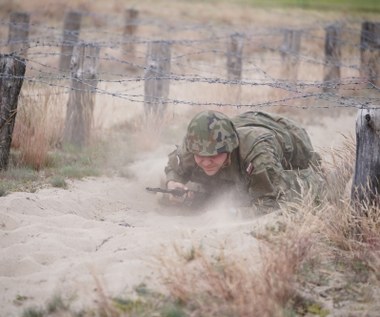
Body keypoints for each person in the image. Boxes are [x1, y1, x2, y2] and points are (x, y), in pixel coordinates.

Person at [163, 110, 324, 215]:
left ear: (230, 148)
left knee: (299, 189)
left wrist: (233, 213)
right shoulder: (194, 144)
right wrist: (173, 183)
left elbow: (269, 204)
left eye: (213, 155)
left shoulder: (258, 154)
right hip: (242, 124)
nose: (206, 162)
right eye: (200, 156)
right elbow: (174, 168)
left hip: (291, 140)